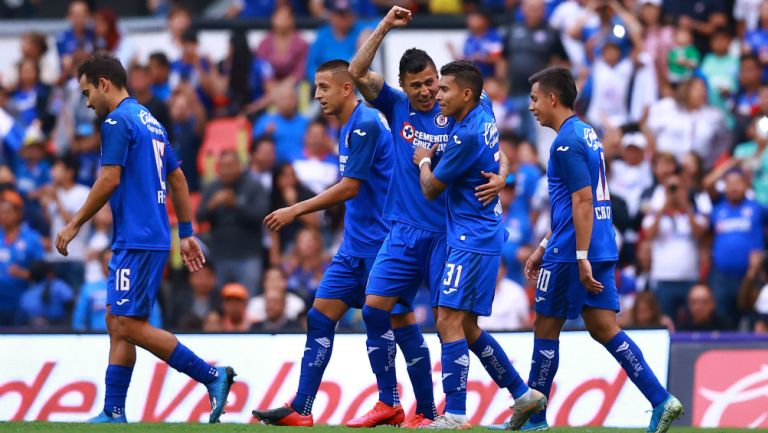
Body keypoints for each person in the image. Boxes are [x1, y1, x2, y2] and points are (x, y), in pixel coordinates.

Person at [348, 8, 513, 428]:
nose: (426, 92)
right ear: (402, 86)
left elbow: (494, 145)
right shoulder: (394, 105)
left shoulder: (461, 105)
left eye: (431, 83)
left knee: (453, 325)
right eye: (416, 85)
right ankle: (393, 401)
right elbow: (356, 70)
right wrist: (384, 25)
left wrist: (504, 174)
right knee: (373, 310)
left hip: (448, 235)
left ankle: (450, 409)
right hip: (403, 231)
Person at [55, 53, 234, 424]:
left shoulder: (116, 120)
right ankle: (113, 411)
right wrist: (185, 233)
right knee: (116, 320)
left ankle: (211, 376)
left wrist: (74, 224)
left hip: (137, 237)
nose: (87, 101)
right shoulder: (150, 120)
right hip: (148, 235)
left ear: (104, 83)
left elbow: (109, 179)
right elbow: (179, 178)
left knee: (126, 325)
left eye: (88, 92)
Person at [522, 66, 683, 432]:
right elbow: (575, 205)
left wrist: (578, 258)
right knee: (604, 327)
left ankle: (534, 420)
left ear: (551, 98)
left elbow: (581, 201)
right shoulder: (588, 133)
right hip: (599, 243)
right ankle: (661, 399)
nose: (531, 107)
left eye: (534, 99)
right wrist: (542, 244)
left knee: (545, 327)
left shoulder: (565, 142)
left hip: (574, 252)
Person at [252, 59, 400, 427]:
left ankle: (399, 404)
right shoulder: (350, 124)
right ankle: (302, 406)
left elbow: (351, 187)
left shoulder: (365, 123)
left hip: (382, 246)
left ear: (346, 88)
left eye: (322, 87)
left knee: (399, 324)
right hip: (354, 246)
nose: (316, 95)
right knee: (319, 316)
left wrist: (295, 210)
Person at [411, 60, 544, 430]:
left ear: (465, 94)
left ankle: (454, 413)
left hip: (470, 238)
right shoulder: (483, 106)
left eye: (444, 90)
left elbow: (431, 187)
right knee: (466, 326)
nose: (437, 96)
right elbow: (500, 153)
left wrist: (423, 160)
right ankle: (522, 394)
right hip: (481, 233)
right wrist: (502, 175)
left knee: (447, 319)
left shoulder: (465, 135)